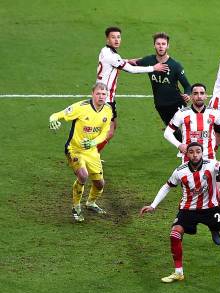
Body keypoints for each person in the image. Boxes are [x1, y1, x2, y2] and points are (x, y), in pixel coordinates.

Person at [140, 142, 220, 282]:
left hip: (211, 208)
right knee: (175, 234)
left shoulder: (211, 164)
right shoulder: (180, 171)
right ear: (186, 154)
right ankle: (178, 272)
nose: (195, 155)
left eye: (198, 152)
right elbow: (167, 186)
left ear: (202, 153)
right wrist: (153, 205)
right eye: (191, 152)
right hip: (188, 209)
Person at [164, 83, 220, 246]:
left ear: (206, 95)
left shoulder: (213, 113)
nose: (199, 96)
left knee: (216, 195)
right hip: (188, 161)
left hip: (210, 159)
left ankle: (215, 226)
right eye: (195, 93)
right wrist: (179, 145)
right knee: (190, 194)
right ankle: (187, 223)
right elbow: (167, 132)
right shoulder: (182, 114)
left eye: (202, 93)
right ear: (192, 96)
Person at [95, 26, 169, 152]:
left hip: (104, 96)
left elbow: (116, 62)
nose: (116, 40)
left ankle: (92, 154)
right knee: (109, 131)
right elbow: (132, 70)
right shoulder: (112, 56)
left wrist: (128, 60)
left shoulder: (105, 51)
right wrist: (153, 68)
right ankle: (90, 155)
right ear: (107, 39)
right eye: (113, 37)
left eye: (118, 37)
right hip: (105, 98)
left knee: (109, 127)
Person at [48, 82, 113, 222]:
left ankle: (90, 203)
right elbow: (58, 114)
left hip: (91, 151)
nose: (101, 97)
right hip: (75, 149)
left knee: (100, 184)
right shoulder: (81, 107)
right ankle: (76, 206)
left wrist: (93, 143)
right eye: (98, 94)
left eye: (104, 94)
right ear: (92, 94)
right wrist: (52, 118)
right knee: (83, 175)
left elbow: (104, 133)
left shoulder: (108, 110)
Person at [129, 32, 191, 141]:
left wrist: (187, 94)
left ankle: (193, 149)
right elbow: (133, 63)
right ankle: (184, 148)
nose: (161, 46)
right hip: (160, 104)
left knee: (187, 126)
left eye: (163, 44)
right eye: (158, 44)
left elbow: (187, 86)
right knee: (172, 129)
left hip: (177, 102)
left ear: (168, 46)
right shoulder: (149, 60)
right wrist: (117, 61)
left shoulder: (175, 66)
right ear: (154, 45)